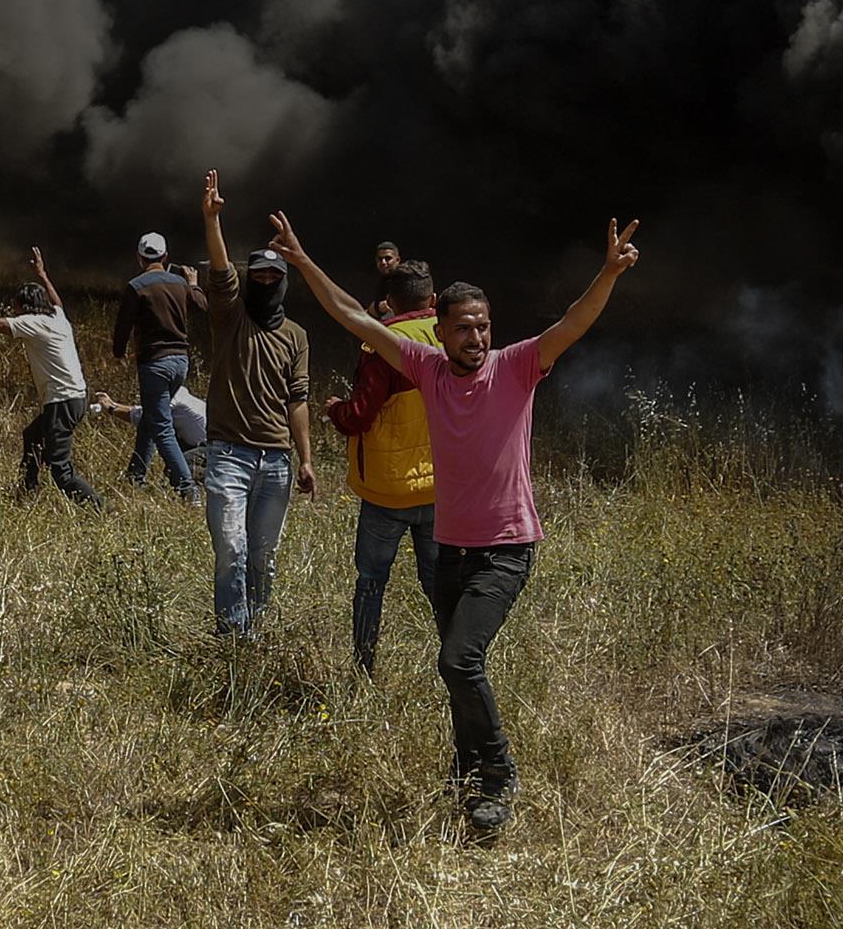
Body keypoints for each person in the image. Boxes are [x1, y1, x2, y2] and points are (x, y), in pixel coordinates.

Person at [271, 210, 641, 840]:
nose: (477, 336)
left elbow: (572, 322)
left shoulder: (518, 366)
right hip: (452, 549)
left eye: (484, 326)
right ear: (438, 332)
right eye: (465, 328)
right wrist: (303, 261)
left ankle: (496, 772)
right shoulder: (425, 369)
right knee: (457, 672)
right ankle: (467, 777)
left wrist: (606, 273)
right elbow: (354, 318)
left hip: (506, 549)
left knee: (458, 660)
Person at [194, 169, 313, 639]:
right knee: (232, 548)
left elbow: (297, 400)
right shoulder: (231, 316)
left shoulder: (296, 336)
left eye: (273, 275)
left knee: (264, 555)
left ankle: (257, 634)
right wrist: (211, 221)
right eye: (257, 274)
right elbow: (221, 271)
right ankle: (233, 637)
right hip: (228, 456)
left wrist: (306, 459)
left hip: (278, 464)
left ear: (284, 280)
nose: (265, 281)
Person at [324, 261, 443, 675]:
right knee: (438, 586)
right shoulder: (456, 339)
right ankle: (459, 663)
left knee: (371, 582)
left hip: (386, 492)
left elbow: (358, 417)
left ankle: (363, 669)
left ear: (388, 303)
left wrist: (334, 410)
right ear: (433, 300)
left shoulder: (385, 347)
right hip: (438, 489)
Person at [0, 247, 103, 506]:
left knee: (61, 471)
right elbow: (58, 301)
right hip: (74, 397)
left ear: (24, 307)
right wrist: (42, 274)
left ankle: (99, 509)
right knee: (33, 436)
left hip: (62, 401)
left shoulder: (33, 323)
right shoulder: (57, 317)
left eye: (17, 306)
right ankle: (27, 493)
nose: (15, 310)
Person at [110, 231, 203, 495]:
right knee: (153, 417)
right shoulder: (180, 283)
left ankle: (187, 488)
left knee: (162, 427)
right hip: (181, 363)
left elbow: (123, 326)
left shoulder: (136, 286)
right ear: (165, 256)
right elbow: (203, 306)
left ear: (139, 258)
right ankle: (135, 476)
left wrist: (118, 353)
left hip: (155, 364)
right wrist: (194, 283)